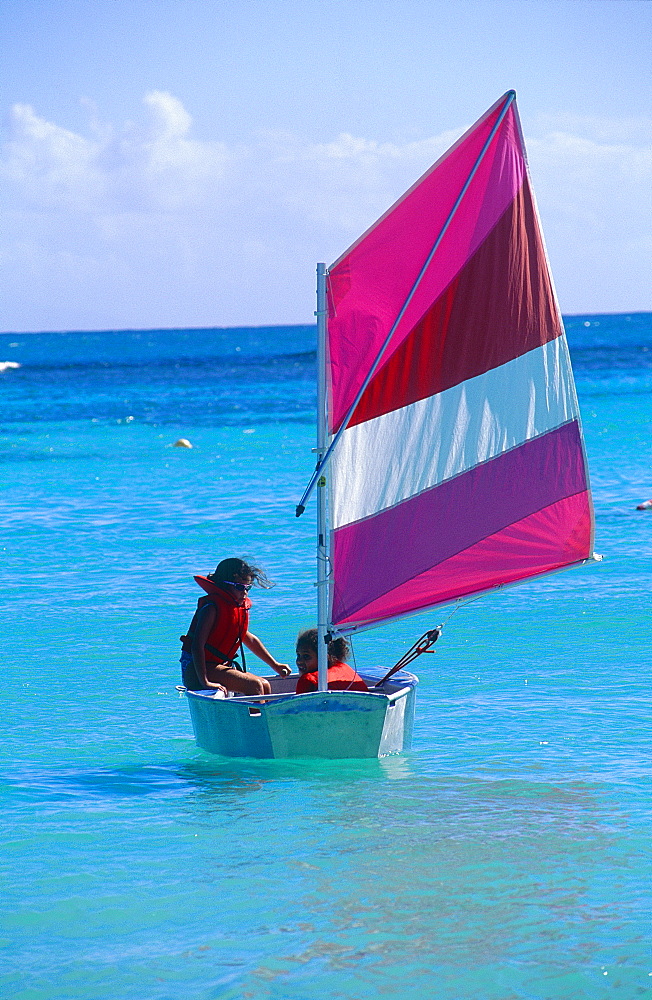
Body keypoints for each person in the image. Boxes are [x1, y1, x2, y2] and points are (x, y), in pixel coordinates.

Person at [180, 557, 290, 696]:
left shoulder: (235, 608)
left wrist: (275, 665)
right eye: (239, 587)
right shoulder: (211, 609)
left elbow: (249, 639)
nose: (244, 593)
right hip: (196, 670)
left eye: (247, 588)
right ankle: (256, 718)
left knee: (264, 685)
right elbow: (197, 646)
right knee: (254, 686)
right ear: (224, 584)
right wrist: (205, 682)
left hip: (218, 666)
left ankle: (265, 717)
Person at [295, 628, 368, 694]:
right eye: (298, 655)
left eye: (306, 656)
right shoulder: (346, 669)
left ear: (324, 657)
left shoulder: (308, 681)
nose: (299, 661)